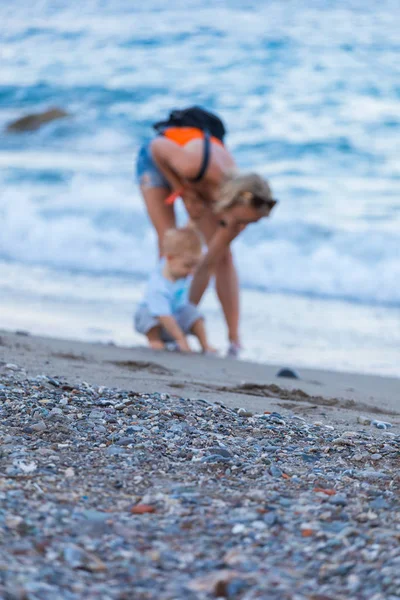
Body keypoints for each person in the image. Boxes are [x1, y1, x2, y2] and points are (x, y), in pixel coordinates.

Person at [136, 107, 277, 356]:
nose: (242, 227)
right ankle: (160, 320)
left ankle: (233, 338)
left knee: (225, 256)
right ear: (237, 201)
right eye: (242, 221)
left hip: (200, 178)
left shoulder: (239, 203)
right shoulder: (194, 167)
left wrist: (191, 309)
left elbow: (209, 262)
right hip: (158, 162)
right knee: (170, 241)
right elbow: (157, 147)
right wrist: (184, 191)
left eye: (249, 224)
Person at [134, 227, 214, 353]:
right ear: (169, 258)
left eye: (195, 266)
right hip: (159, 319)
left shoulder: (177, 270)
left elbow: (184, 244)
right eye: (187, 266)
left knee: (192, 312)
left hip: (175, 314)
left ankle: (205, 344)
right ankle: (154, 340)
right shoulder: (158, 286)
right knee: (147, 315)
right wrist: (180, 339)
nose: (192, 272)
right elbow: (163, 316)